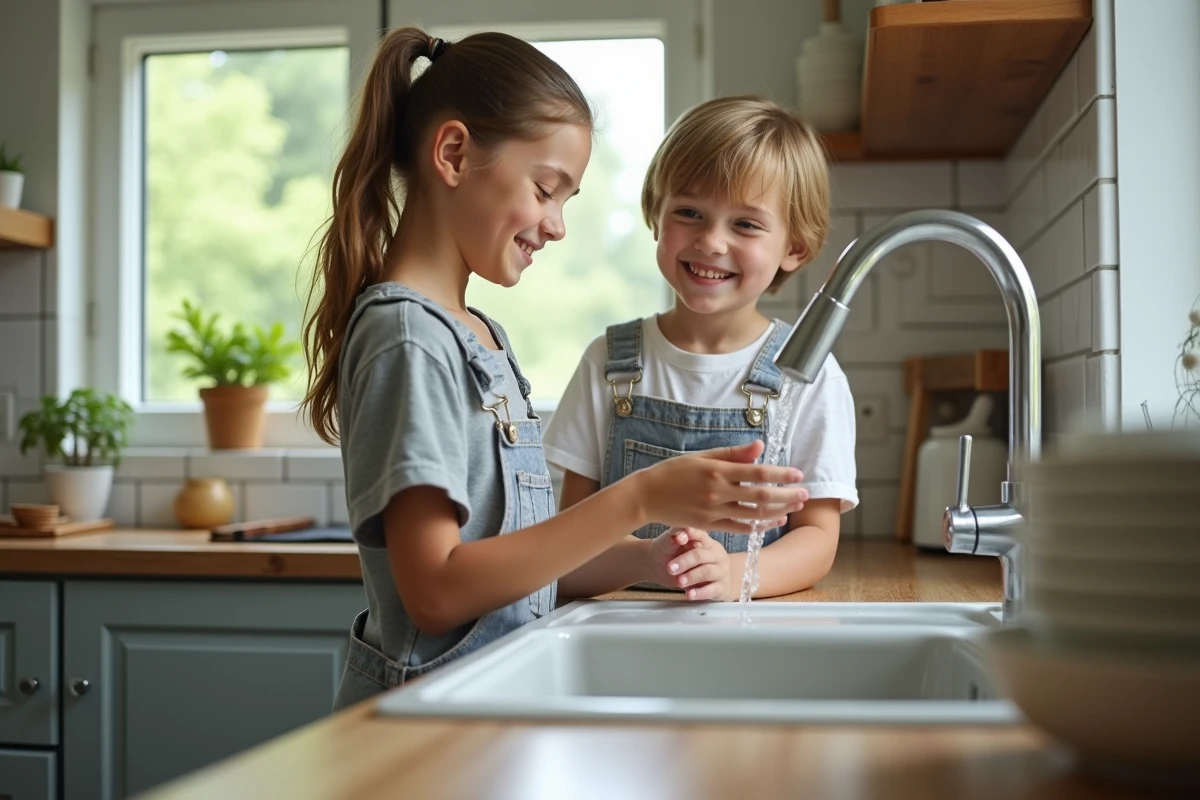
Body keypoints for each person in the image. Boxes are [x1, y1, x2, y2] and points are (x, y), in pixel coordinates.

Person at [300, 30, 809, 710]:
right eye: (546, 189)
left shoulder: (475, 333)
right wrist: (640, 498)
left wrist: (646, 558)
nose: (557, 224)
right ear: (453, 154)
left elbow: (519, 561)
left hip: (487, 700)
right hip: (430, 718)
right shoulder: (408, 338)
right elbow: (437, 590)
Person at [545, 96, 859, 602]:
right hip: (617, 623)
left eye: (746, 224)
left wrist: (731, 575)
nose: (711, 241)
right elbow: (567, 543)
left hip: (743, 628)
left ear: (794, 247)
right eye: (689, 212)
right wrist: (647, 560)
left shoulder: (807, 374)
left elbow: (818, 540)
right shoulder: (606, 362)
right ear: (656, 215)